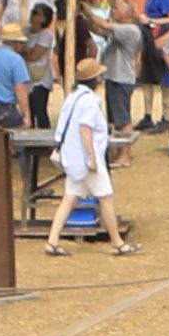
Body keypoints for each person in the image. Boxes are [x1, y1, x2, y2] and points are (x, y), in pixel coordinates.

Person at [47, 63, 121, 246]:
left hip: (72, 156)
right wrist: (92, 157)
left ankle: (52, 240)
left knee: (70, 197)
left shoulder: (73, 97)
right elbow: (85, 129)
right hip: (86, 157)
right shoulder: (89, 101)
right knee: (105, 197)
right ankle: (117, 242)